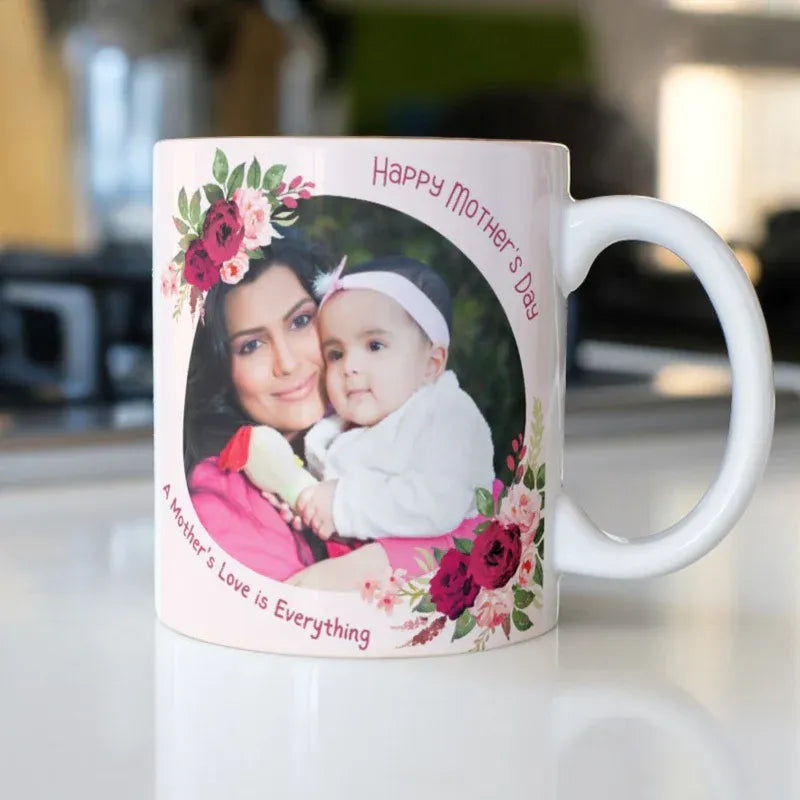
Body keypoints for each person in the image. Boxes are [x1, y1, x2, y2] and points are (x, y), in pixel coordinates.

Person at [184, 236, 488, 589]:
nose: (287, 362)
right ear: (224, 368)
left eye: (299, 322)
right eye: (251, 345)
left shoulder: (397, 418)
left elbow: (487, 516)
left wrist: (378, 562)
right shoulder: (223, 501)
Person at [295, 255, 495, 541]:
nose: (349, 366)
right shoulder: (339, 429)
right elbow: (328, 492)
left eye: (374, 346)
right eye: (335, 354)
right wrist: (307, 503)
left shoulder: (445, 415)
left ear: (431, 365)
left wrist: (341, 505)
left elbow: (439, 502)